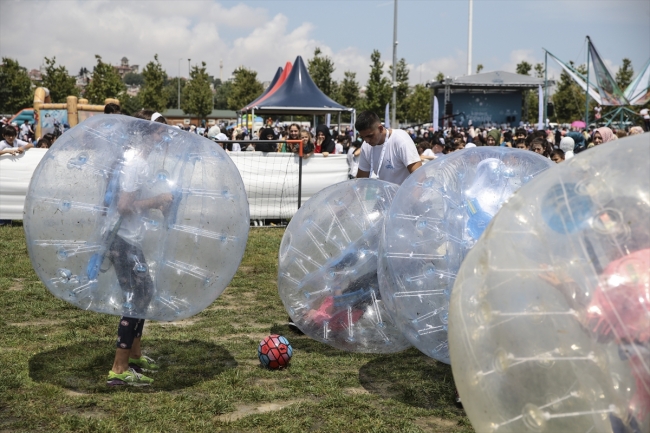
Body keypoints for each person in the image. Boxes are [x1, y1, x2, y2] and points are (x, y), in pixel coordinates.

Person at [106, 110, 172, 387]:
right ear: (147, 133)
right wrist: (156, 200)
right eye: (159, 132)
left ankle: (134, 356)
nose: (163, 137)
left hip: (125, 237)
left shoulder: (134, 159)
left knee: (143, 294)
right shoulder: (135, 163)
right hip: (122, 239)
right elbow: (124, 205)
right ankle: (118, 369)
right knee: (137, 297)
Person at [355, 111, 421, 185]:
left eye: (370, 136)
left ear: (380, 128)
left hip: (406, 194)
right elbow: (360, 181)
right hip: (385, 195)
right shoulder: (366, 146)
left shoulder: (401, 140)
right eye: (363, 137)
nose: (367, 140)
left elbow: (420, 177)